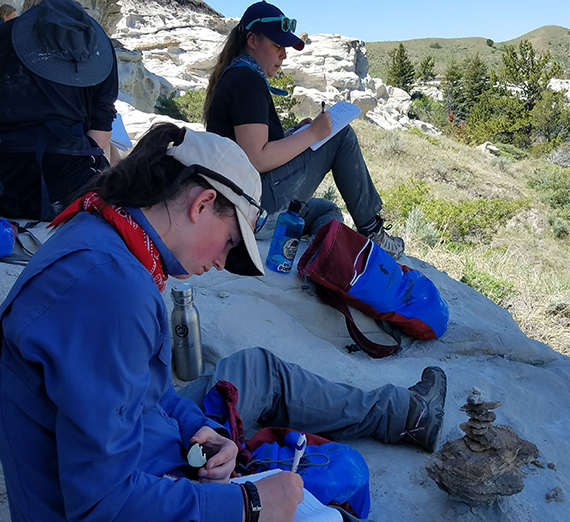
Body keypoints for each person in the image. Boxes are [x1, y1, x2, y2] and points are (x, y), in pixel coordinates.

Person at [0, 122, 446, 522]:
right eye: (230, 243)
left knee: (257, 369)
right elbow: (104, 505)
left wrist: (199, 428)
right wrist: (251, 504)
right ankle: (403, 416)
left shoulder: (105, 236)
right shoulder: (110, 290)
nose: (220, 263)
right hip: (150, 487)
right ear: (204, 203)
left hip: (151, 454)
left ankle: (405, 414)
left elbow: (148, 394)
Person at [204, 1, 405, 259]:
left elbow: (247, 146)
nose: (284, 55)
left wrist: (291, 134)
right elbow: (256, 158)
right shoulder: (247, 81)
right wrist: (313, 135)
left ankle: (323, 254)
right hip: (256, 206)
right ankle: (372, 232)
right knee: (340, 135)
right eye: (277, 46)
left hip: (242, 203)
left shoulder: (237, 74)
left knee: (326, 211)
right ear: (252, 40)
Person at [0, 0, 118, 221]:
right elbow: (102, 124)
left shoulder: (5, 33)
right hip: (69, 183)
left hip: (5, 172)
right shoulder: (100, 46)